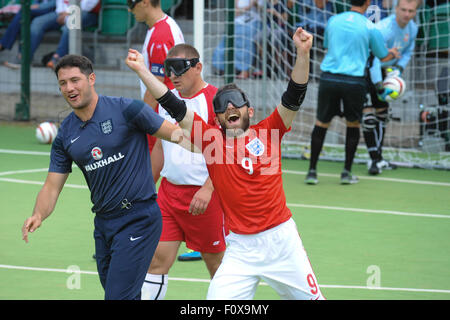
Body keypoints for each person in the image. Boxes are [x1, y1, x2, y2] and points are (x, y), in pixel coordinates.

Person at [126, 27, 326, 300]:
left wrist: (303, 54)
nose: (230, 107)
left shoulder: (271, 132)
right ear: (217, 119)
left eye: (236, 103)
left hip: (281, 242)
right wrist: (142, 70)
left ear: (250, 111)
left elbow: (294, 94)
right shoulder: (212, 144)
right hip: (241, 248)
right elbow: (174, 105)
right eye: (222, 107)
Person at [21, 54, 182, 300]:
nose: (69, 88)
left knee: (117, 297)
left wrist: (209, 136)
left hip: (139, 219)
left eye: (75, 80)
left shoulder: (128, 109)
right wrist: (38, 214)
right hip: (104, 224)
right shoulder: (66, 134)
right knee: (121, 294)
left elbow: (177, 135)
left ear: (91, 79)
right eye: (63, 83)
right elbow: (52, 186)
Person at [140, 44, 227, 300]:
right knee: (156, 261)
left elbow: (228, 151)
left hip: (207, 198)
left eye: (179, 68)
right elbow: (159, 149)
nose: (173, 75)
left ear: (198, 67)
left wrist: (208, 189)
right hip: (169, 195)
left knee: (218, 267)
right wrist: (145, 188)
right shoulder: (166, 102)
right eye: (169, 69)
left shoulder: (217, 100)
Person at [304, 0, 399, 185]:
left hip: (329, 79)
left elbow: (327, 46)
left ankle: (312, 172)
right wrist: (393, 53)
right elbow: (382, 56)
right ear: (368, 3)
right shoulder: (370, 26)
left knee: (321, 123)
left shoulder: (333, 21)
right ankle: (346, 172)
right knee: (353, 124)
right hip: (354, 82)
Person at [362, 0, 419, 175]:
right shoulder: (384, 28)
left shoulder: (413, 28)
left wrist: (398, 69)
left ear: (415, 12)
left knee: (383, 115)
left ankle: (377, 159)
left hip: (387, 71)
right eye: (403, 10)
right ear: (396, 9)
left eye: (411, 11)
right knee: (368, 116)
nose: (407, 14)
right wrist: (379, 84)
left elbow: (408, 51)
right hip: (367, 69)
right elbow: (374, 57)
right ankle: (374, 159)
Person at [128, 0, 184, 151]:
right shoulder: (164, 25)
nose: (129, 10)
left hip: (163, 115)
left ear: (145, 2)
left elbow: (157, 85)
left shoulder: (160, 34)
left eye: (131, 4)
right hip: (168, 111)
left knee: (152, 168)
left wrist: (141, 117)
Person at [3, 0, 99, 69]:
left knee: (70, 25)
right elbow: (60, 2)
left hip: (86, 13)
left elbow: (89, 5)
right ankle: (24, 58)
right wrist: (63, 12)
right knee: (38, 22)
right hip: (63, 12)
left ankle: (58, 58)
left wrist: (68, 13)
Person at [212, 0, 263, 79]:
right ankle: (224, 68)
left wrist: (254, 3)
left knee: (245, 37)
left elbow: (263, 11)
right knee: (228, 39)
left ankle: (244, 70)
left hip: (254, 22)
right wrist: (248, 7)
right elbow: (235, 12)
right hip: (238, 22)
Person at [0, 0, 56, 68]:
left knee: (28, 15)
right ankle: (21, 57)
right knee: (24, 15)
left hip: (56, 11)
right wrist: (35, 5)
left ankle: (4, 45)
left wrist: (38, 6)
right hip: (42, 9)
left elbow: (59, 3)